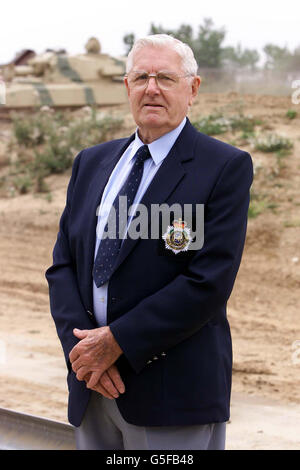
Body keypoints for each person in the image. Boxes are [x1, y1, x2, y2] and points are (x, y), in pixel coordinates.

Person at [45, 34, 253, 450]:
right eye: (141, 76)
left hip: (171, 397)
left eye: (165, 77)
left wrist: (116, 341)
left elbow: (207, 281)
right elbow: (63, 265)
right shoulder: (92, 162)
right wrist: (82, 352)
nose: (151, 88)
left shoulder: (223, 167)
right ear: (127, 87)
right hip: (93, 388)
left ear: (192, 89)